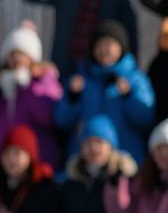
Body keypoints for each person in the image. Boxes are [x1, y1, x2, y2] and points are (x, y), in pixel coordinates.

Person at [54, 22, 156, 162]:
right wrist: (72, 98)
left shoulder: (135, 79)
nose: (104, 50)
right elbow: (61, 120)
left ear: (122, 48)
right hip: (84, 161)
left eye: (109, 45)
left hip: (124, 159)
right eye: (99, 45)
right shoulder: (81, 79)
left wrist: (128, 96)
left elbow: (146, 117)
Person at [0, 23, 61, 176]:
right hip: (0, 161)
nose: (16, 59)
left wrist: (29, 86)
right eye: (12, 54)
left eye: (22, 54)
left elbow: (48, 116)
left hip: (37, 159)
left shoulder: (45, 80)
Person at [57, 115, 137, 213]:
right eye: (88, 142)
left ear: (111, 146)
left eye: (99, 142)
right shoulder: (71, 184)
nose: (93, 148)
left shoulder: (126, 181)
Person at [105, 118, 168, 213]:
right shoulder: (144, 182)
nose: (161, 154)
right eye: (157, 149)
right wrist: (117, 182)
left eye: (165, 148)